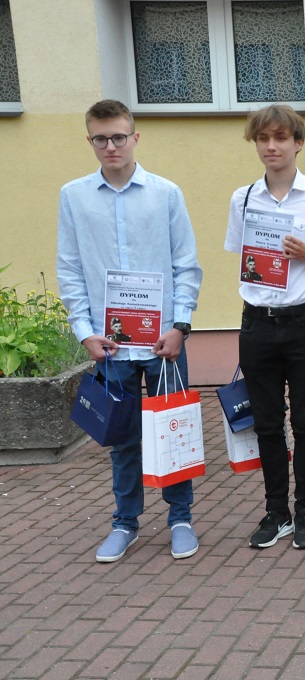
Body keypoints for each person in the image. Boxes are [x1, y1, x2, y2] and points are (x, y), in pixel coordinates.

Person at [56, 99, 203, 563]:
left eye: (119, 136)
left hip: (163, 344)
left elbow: (186, 266)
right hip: (111, 346)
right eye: (101, 138)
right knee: (122, 439)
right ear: (90, 141)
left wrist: (180, 326)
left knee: (172, 432)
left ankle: (180, 518)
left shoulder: (165, 193)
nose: (111, 146)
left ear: (135, 137)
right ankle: (125, 523)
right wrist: (84, 332)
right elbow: (70, 269)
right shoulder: (73, 196)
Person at [224, 104, 305, 550]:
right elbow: (241, 259)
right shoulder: (242, 198)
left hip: (304, 322)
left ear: (298, 143)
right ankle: (275, 511)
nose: (271, 146)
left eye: (281, 138)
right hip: (257, 322)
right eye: (263, 139)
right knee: (266, 423)